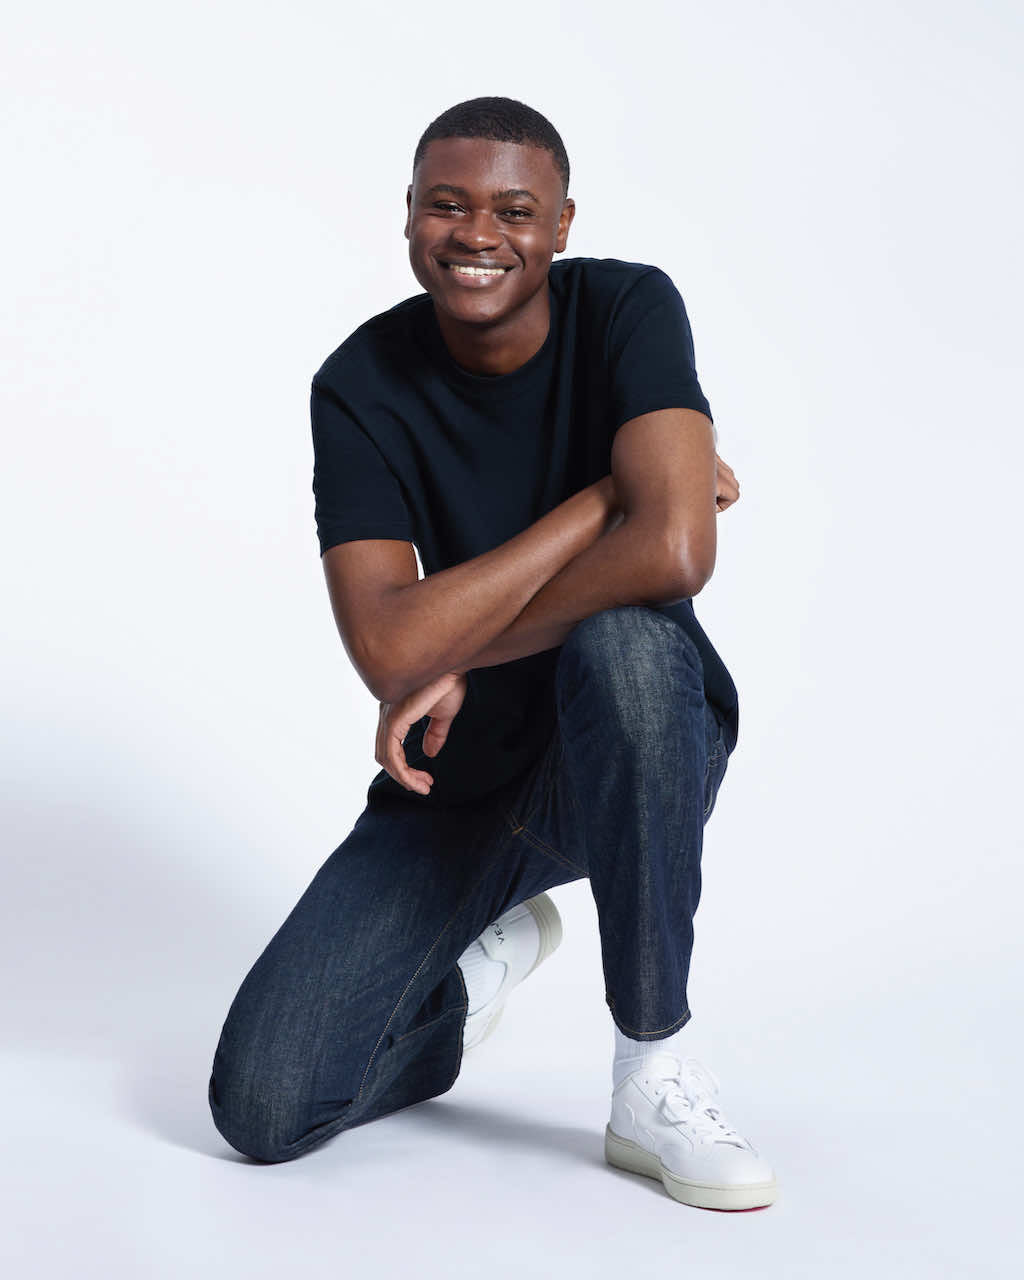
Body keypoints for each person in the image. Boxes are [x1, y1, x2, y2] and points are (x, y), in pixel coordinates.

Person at [207, 95, 779, 1212]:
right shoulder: (359, 383)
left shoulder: (628, 308)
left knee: (625, 645)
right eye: (448, 205)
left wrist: (463, 643)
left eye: (514, 210)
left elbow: (671, 551)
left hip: (626, 738)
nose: (479, 234)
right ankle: (467, 989)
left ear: (560, 224)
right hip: (457, 784)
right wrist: (600, 498)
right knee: (264, 1108)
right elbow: (386, 646)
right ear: (409, 217)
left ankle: (651, 1065)